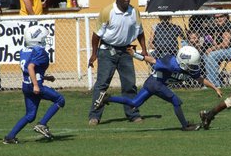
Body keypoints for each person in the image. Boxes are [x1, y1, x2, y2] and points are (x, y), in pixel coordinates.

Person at [93, 46, 222, 131]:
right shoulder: (171, 64)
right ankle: (185, 126)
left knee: (134, 103)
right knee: (176, 101)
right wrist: (135, 55)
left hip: (153, 83)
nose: (194, 67)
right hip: (155, 83)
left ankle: (107, 98)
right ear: (183, 62)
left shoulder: (186, 67)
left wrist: (214, 87)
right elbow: (153, 60)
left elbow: (200, 78)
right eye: (192, 65)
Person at [88, 0, 147, 125]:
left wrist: (144, 49)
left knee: (129, 84)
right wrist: (94, 54)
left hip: (126, 51)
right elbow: (96, 34)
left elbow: (140, 32)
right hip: (107, 51)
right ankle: (94, 116)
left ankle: (133, 114)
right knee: (102, 84)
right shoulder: (107, 12)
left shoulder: (134, 12)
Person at [3, 25, 65, 144]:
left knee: (30, 115)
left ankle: (10, 137)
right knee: (60, 100)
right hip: (34, 86)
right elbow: (31, 67)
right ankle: (42, 124)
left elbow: (28, 69)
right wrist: (36, 85)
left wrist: (45, 77)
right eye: (44, 37)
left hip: (26, 85)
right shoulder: (39, 51)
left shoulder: (24, 50)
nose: (46, 40)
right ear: (37, 39)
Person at [204, 12, 231, 87]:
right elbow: (218, 44)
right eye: (216, 17)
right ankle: (214, 80)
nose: (218, 19)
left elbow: (225, 44)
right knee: (205, 56)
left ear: (226, 17)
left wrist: (212, 48)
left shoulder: (228, 25)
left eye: (220, 16)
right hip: (229, 50)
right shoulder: (219, 28)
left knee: (212, 55)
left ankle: (214, 83)